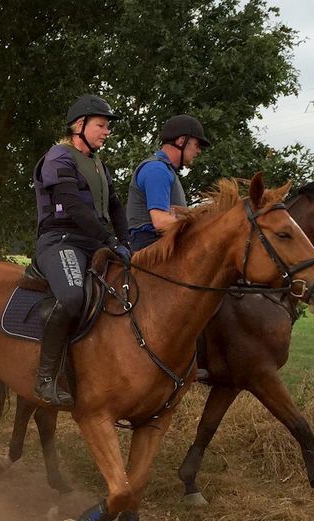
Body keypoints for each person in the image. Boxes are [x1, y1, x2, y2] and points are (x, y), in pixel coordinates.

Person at [30, 94, 130, 408]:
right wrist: (109, 241)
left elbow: (115, 206)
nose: (106, 131)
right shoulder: (58, 157)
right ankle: (45, 378)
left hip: (94, 241)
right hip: (61, 240)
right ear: (79, 125)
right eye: (101, 125)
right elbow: (72, 206)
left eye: (107, 127)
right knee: (72, 296)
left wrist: (126, 243)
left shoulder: (100, 164)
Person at [126, 114, 210, 251]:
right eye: (196, 145)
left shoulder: (166, 169)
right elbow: (160, 221)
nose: (198, 151)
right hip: (151, 246)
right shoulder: (157, 169)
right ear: (181, 141)